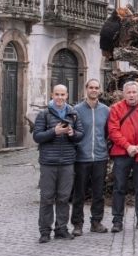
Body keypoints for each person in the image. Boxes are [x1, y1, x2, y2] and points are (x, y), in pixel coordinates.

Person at [34, 84, 84, 243]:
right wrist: (53, 132)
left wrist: (72, 133)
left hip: (68, 162)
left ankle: (61, 229)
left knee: (63, 197)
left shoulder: (73, 113)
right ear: (52, 95)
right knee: (47, 198)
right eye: (57, 94)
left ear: (67, 95)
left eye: (63, 94)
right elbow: (37, 137)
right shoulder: (44, 114)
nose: (60, 97)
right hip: (48, 162)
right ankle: (44, 231)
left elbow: (80, 135)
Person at [108, 81, 138, 233]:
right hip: (122, 153)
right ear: (124, 94)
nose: (131, 95)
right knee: (119, 187)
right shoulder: (116, 108)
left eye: (134, 92)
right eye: (128, 92)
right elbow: (113, 130)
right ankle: (117, 221)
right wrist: (128, 146)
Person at [71, 79, 109, 236]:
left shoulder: (106, 110)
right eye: (91, 87)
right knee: (79, 193)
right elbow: (73, 132)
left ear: (99, 90)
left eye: (96, 88)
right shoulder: (76, 110)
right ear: (86, 89)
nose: (94, 90)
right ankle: (77, 224)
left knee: (98, 192)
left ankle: (96, 222)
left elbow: (108, 132)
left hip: (100, 156)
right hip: (81, 157)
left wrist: (104, 147)